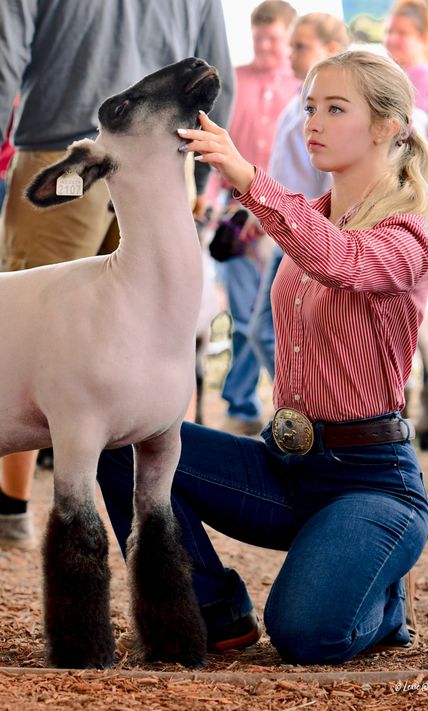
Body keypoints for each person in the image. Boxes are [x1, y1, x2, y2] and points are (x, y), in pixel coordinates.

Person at [97, 50, 428, 664]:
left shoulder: (408, 235)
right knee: (123, 444)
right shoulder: (306, 217)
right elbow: (311, 248)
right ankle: (214, 611)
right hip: (285, 465)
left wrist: (247, 176)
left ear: (388, 127)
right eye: (310, 106)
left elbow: (338, 260)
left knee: (305, 636)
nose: (312, 121)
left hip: (371, 482)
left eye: (336, 108)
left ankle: (385, 600)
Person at [0, 0, 234, 550]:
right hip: (100, 150)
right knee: (48, 339)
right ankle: (15, 507)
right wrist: (205, 151)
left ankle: (18, 510)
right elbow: (215, 64)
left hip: (89, 143)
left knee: (60, 336)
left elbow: (7, 45)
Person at [248, 12, 348, 378]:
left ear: (331, 49)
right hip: (286, 232)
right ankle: (302, 411)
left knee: (268, 332)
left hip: (310, 232)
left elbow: (330, 179)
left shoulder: (332, 111)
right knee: (267, 333)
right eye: (290, 45)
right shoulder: (297, 103)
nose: (290, 54)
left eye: (300, 46)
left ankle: (305, 414)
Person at [216, 0, 300, 436]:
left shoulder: (303, 88)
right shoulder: (233, 81)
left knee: (270, 315)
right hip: (234, 217)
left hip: (284, 216)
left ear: (288, 38)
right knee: (244, 316)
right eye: (259, 36)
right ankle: (242, 403)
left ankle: (279, 403)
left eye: (274, 37)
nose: (265, 45)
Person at [384, 0, 428, 114]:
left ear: (423, 38)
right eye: (389, 32)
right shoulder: (390, 75)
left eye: (402, 33)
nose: (392, 39)